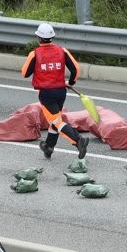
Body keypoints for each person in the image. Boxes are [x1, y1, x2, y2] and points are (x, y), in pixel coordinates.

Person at [22, 23, 88, 160]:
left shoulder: (35, 54)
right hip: (61, 92)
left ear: (39, 38)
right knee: (54, 120)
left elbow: (25, 73)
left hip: (46, 94)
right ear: (52, 37)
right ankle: (48, 146)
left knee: (56, 122)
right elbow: (75, 69)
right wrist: (70, 83)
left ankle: (78, 141)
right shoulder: (62, 51)